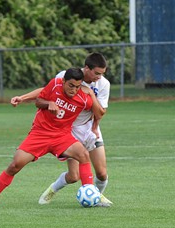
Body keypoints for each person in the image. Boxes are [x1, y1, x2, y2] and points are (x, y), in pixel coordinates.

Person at [0, 67, 102, 208]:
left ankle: (90, 195)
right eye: (71, 85)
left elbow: (100, 112)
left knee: (83, 155)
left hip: (62, 136)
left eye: (77, 87)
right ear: (64, 81)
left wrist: (91, 96)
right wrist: (48, 104)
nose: (74, 90)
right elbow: (38, 101)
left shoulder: (84, 99)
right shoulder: (55, 84)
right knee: (15, 165)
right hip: (39, 134)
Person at [10, 52, 112, 206]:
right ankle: (53, 189)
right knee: (73, 176)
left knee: (102, 174)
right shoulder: (67, 76)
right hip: (67, 129)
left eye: (102, 74)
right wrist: (23, 98)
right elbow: (46, 91)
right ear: (87, 68)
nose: (99, 77)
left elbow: (100, 112)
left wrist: (91, 96)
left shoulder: (103, 84)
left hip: (89, 129)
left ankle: (94, 197)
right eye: (96, 73)